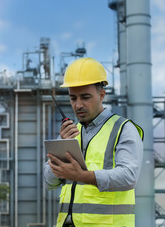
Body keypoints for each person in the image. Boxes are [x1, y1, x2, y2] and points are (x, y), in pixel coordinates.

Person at [43, 57, 144, 227]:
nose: (78, 105)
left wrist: (83, 176)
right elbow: (48, 182)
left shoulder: (123, 129)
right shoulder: (70, 133)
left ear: (101, 94)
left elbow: (129, 177)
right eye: (73, 98)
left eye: (85, 97)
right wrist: (59, 150)